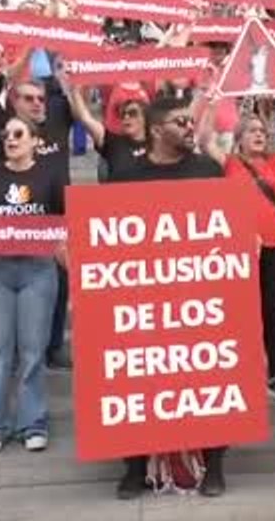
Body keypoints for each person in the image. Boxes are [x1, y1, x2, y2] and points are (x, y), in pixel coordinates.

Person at [106, 95, 228, 499]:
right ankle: (135, 467)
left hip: (199, 300)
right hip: (145, 302)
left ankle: (213, 465)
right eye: (180, 122)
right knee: (139, 385)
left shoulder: (209, 171)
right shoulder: (125, 177)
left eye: (190, 122)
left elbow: (225, 228)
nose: (189, 127)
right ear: (156, 130)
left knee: (208, 383)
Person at [200, 93, 275, 406]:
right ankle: (242, 374)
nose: (259, 135)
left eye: (263, 132)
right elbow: (205, 138)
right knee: (240, 316)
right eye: (252, 131)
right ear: (238, 139)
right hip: (239, 252)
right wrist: (211, 104)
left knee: (273, 316)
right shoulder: (230, 163)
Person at [0, 116, 66, 455]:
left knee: (32, 351)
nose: (10, 139)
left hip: (38, 270)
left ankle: (32, 422)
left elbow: (64, 224)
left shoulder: (51, 175)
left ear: (35, 141)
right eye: (5, 134)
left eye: (18, 134)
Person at [0, 74, 76, 371]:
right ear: (13, 101)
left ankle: (53, 346)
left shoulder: (59, 117)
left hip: (56, 217)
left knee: (60, 285)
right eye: (28, 98)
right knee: (13, 291)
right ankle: (14, 350)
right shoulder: (5, 125)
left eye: (40, 98)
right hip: (12, 221)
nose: (37, 103)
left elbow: (82, 100)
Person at [67, 83, 147, 179]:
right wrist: (75, 91)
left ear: (144, 117)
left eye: (132, 113)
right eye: (123, 114)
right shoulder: (113, 141)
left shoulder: (156, 141)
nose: (126, 117)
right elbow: (85, 118)